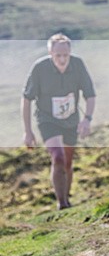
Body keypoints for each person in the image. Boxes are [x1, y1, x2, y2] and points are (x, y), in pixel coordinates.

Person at [22, 33, 96, 210]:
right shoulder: (39, 68)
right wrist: (28, 131)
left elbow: (90, 95)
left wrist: (87, 120)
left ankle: (66, 198)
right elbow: (26, 99)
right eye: (58, 56)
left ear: (70, 53)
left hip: (71, 119)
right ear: (50, 53)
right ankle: (61, 203)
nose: (62, 59)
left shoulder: (78, 65)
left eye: (65, 55)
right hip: (47, 119)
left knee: (68, 162)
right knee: (58, 157)